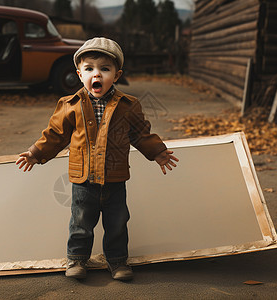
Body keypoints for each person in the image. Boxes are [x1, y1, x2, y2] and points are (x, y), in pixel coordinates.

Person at [16, 37, 179, 281]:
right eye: (90, 69)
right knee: (80, 222)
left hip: (115, 178)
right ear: (79, 74)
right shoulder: (69, 105)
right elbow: (55, 135)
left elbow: (140, 134)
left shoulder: (128, 106)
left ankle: (117, 262)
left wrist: (157, 152)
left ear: (117, 74)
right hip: (83, 179)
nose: (97, 75)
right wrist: (36, 153)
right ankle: (77, 260)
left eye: (105, 69)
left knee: (117, 223)